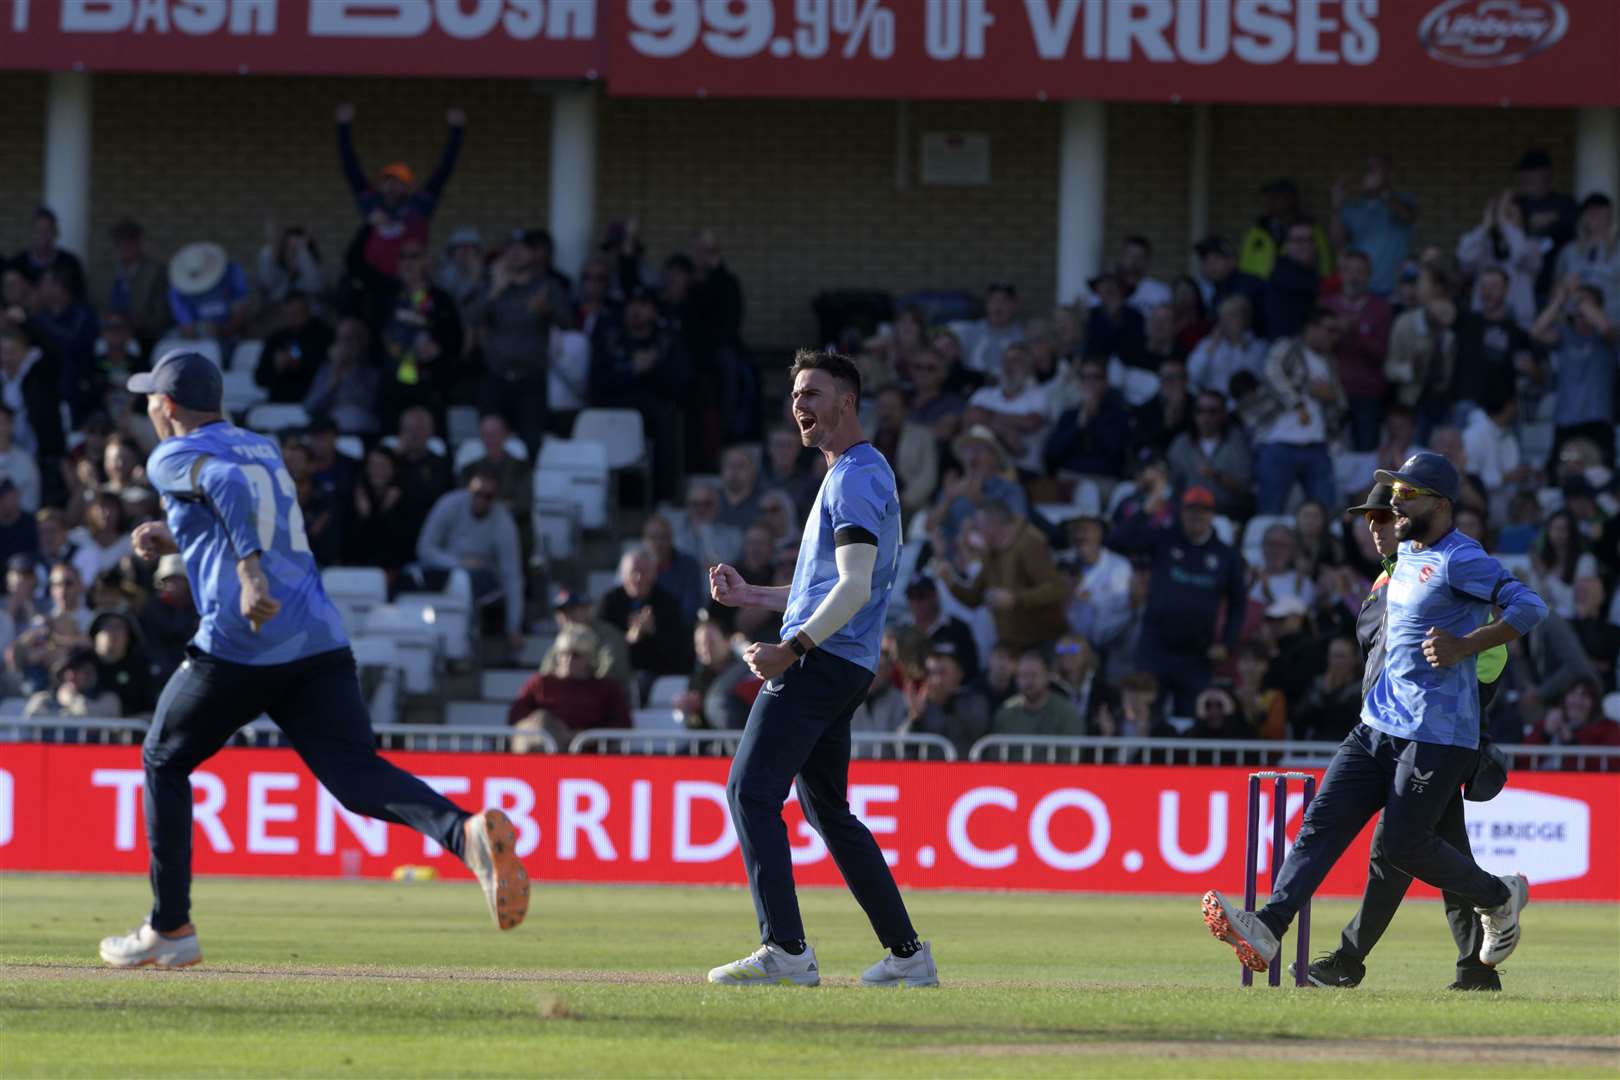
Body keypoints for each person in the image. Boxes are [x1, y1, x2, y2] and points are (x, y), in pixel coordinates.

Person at [97, 351, 530, 970]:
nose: (146, 408)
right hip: (318, 639)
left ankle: (170, 927)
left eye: (149, 398)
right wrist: (179, 537)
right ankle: (462, 833)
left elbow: (221, 489)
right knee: (355, 774)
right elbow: (255, 510)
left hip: (244, 641)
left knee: (163, 759)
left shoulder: (169, 454)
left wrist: (247, 573)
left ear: (167, 406)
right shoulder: (261, 446)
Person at [1202, 452, 1546, 982]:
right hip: (1375, 725)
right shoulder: (1403, 557)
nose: (1394, 503)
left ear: (1441, 503)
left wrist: (1464, 645)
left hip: (1435, 734)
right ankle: (1268, 928)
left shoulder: (1462, 558)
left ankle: (1500, 896)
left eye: (1406, 495)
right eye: (1393, 494)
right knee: (1320, 824)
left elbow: (1530, 606)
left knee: (1404, 847)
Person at [705, 349, 935, 989]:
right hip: (843, 663)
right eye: (796, 395)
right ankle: (908, 955)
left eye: (813, 393)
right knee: (828, 811)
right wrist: (754, 597)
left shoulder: (857, 475)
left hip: (822, 663)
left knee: (750, 791)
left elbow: (856, 587)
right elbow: (828, 590)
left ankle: (785, 951)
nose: (800, 405)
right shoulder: (848, 475)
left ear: (848, 401)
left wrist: (792, 649)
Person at [1302, 480, 1511, 991]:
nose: (1376, 527)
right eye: (1371, 518)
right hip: (1393, 728)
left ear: (1409, 522)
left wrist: (1458, 679)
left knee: (1395, 847)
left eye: (1385, 516)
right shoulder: (1385, 581)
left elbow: (1490, 659)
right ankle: (1475, 967)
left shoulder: (1444, 583)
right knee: (1435, 848)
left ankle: (1353, 959)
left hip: (1438, 733)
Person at [1112, 486, 1247, 715]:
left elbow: (1238, 603)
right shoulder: (1164, 540)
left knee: (1192, 720)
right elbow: (1117, 541)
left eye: (1203, 510)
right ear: (1181, 513)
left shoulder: (1227, 556)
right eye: (1191, 509)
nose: (1196, 516)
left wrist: (1226, 642)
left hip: (1197, 653)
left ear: (1212, 515)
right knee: (1147, 716)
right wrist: (1145, 512)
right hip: (1155, 648)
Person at [335, 103, 465, 283]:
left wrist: (457, 131)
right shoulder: (370, 203)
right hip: (375, 282)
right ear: (380, 185)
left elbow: (444, 170)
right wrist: (343, 127)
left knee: (420, 307)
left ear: (407, 187)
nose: (392, 186)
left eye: (398, 182)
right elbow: (350, 167)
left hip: (413, 282)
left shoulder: (420, 206)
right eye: (387, 181)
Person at [407, 464, 525, 657]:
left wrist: (514, 626)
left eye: (488, 496)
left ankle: (462, 647)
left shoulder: (504, 523)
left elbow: (511, 576)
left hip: (482, 577)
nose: (481, 500)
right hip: (443, 568)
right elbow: (425, 548)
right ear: (469, 489)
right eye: (476, 493)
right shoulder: (449, 504)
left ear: (496, 498)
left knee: (465, 582)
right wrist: (459, 564)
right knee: (411, 575)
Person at [935, 500, 1069, 653]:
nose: (975, 532)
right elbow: (974, 598)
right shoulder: (991, 553)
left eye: (978, 527)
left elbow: (1056, 589)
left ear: (993, 526)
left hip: (1043, 643)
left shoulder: (1029, 544)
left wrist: (1015, 599)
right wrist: (950, 581)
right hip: (1012, 645)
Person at [1252, 307, 1345, 514]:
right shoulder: (1287, 347)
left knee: (1324, 509)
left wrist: (1331, 397)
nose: (1334, 337)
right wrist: (1299, 401)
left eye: (1336, 332)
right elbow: (1271, 373)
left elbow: (1338, 400)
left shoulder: (1330, 361)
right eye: (1329, 330)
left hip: (1317, 445)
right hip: (1279, 442)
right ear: (1312, 328)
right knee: (1270, 508)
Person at [1530, 276, 1617, 466]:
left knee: (1602, 478)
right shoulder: (1564, 335)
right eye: (1576, 303)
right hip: (1566, 422)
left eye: (1585, 303)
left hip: (1598, 420)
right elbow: (1536, 332)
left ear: (1597, 308)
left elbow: (1606, 328)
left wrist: (1576, 296)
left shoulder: (1606, 338)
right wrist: (1559, 300)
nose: (1578, 308)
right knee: (1559, 477)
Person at [507, 624, 630, 748]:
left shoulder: (606, 688)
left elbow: (622, 724)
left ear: (589, 657)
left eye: (576, 655)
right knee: (541, 720)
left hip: (587, 756)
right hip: (540, 750)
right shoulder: (540, 683)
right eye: (564, 654)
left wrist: (582, 736)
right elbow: (516, 716)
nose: (568, 659)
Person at [1331, 155, 1418, 296]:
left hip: (1395, 291)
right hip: (1361, 291)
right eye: (1369, 169)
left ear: (1389, 173)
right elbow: (1338, 242)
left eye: (1377, 169)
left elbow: (1408, 216)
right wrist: (1337, 207)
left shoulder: (1403, 200)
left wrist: (1383, 192)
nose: (1372, 173)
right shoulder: (1352, 207)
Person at [675, 617, 757, 732]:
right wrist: (691, 712)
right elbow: (697, 728)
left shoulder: (750, 670)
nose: (705, 648)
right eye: (700, 644)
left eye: (711, 641)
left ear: (728, 641)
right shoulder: (697, 680)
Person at [103, 218, 171, 348]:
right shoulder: (105, 271)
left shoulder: (156, 271)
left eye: (130, 241)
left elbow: (162, 313)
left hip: (144, 337)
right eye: (119, 241)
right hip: (109, 335)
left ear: (139, 242)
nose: (125, 246)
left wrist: (138, 323)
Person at [992, 650, 1086, 737]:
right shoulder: (1005, 713)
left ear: (1047, 676)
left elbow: (1071, 752)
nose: (1028, 681)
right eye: (1023, 675)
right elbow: (994, 753)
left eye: (1034, 675)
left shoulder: (1067, 714)